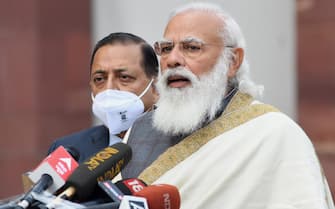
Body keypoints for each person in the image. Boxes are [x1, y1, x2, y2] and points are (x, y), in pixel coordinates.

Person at [123, 2, 335, 209]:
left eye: (191, 48)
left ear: (233, 61)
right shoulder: (138, 130)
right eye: (166, 48)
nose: (173, 60)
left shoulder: (275, 135)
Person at [47, 32, 159, 163]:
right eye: (99, 79)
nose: (109, 88)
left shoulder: (179, 147)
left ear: (155, 89)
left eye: (124, 77)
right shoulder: (67, 152)